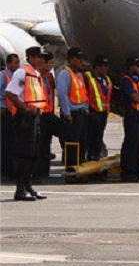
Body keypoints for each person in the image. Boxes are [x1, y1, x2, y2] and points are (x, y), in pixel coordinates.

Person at [5, 47, 48, 201]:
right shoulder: (22, 72)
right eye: (38, 57)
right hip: (25, 118)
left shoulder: (35, 73)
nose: (41, 60)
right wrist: (24, 107)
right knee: (25, 154)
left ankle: (28, 186)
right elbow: (10, 93)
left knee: (33, 153)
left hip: (34, 117)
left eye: (42, 57)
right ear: (29, 57)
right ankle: (20, 189)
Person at [56, 47, 89, 165]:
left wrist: (86, 109)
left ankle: (79, 164)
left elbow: (83, 94)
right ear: (72, 60)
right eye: (79, 59)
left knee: (82, 141)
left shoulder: (79, 74)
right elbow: (62, 94)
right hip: (72, 113)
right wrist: (67, 113)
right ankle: (71, 167)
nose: (82, 62)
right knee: (72, 141)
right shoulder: (65, 73)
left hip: (81, 113)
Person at [119, 57, 139, 182]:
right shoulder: (126, 80)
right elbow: (135, 98)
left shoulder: (138, 82)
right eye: (138, 66)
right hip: (131, 115)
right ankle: (128, 171)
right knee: (131, 143)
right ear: (131, 67)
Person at [36, 51, 62, 179]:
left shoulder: (49, 77)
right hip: (40, 115)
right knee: (40, 143)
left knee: (47, 142)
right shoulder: (36, 77)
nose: (52, 65)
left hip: (49, 113)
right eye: (50, 63)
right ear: (43, 63)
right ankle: (39, 172)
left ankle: (45, 170)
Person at [85, 56, 112, 161]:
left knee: (99, 136)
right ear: (96, 67)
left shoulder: (107, 80)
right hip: (92, 111)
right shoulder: (89, 78)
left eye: (106, 66)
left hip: (103, 112)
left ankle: (97, 156)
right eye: (103, 66)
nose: (106, 69)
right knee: (92, 137)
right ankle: (91, 157)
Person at [1, 53, 20, 180]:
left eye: (18, 63)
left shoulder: (16, 76)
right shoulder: (3, 75)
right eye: (15, 62)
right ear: (8, 63)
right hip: (5, 112)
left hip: (14, 113)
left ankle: (12, 170)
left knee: (14, 143)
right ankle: (5, 171)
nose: (17, 65)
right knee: (6, 143)